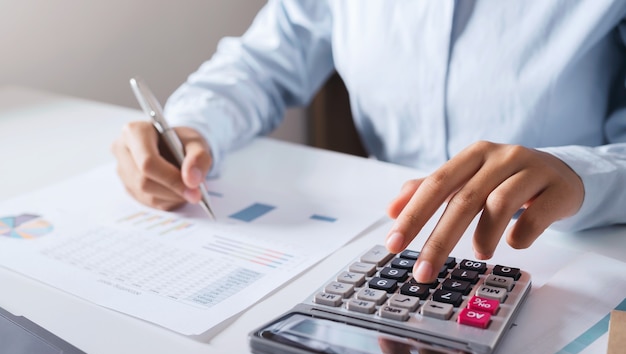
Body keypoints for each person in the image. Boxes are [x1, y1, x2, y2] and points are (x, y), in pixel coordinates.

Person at [111, 1, 626, 284]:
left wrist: (579, 174)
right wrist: (189, 130)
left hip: (570, 252)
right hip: (377, 236)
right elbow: (262, 62)